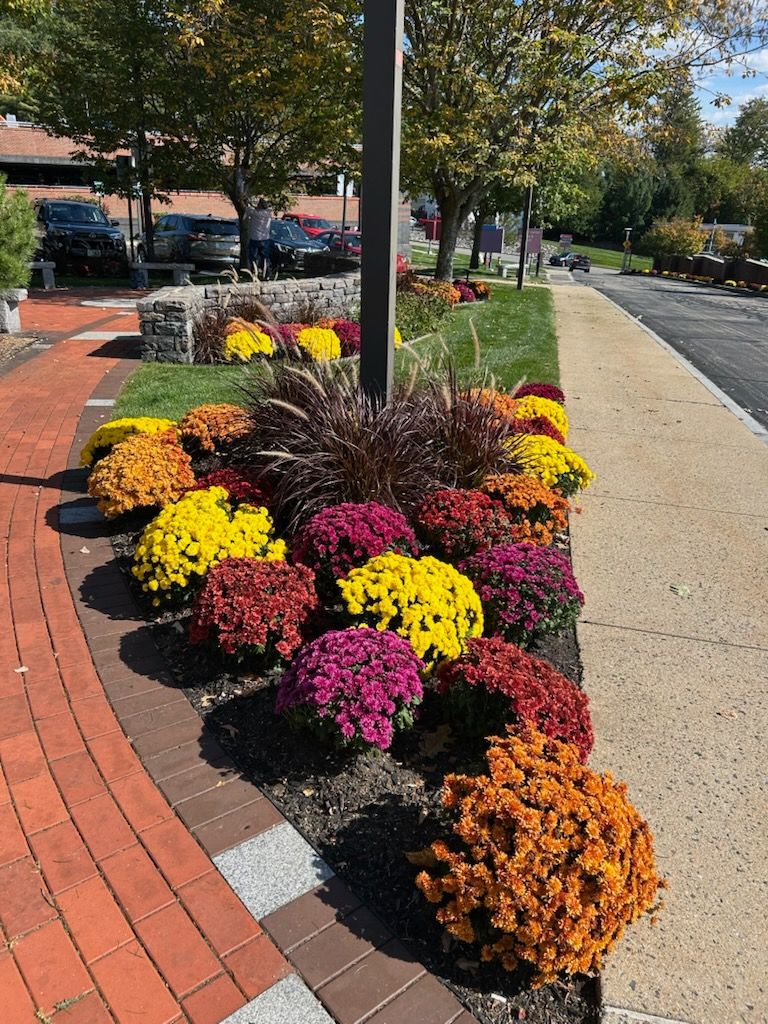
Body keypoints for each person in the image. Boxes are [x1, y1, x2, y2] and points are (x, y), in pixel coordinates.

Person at [244, 198, 272, 278]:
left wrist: (248, 202)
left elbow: (248, 208)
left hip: (254, 238)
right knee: (265, 257)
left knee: (253, 257)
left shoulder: (254, 213)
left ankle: (254, 273)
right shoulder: (268, 214)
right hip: (265, 238)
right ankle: (266, 274)